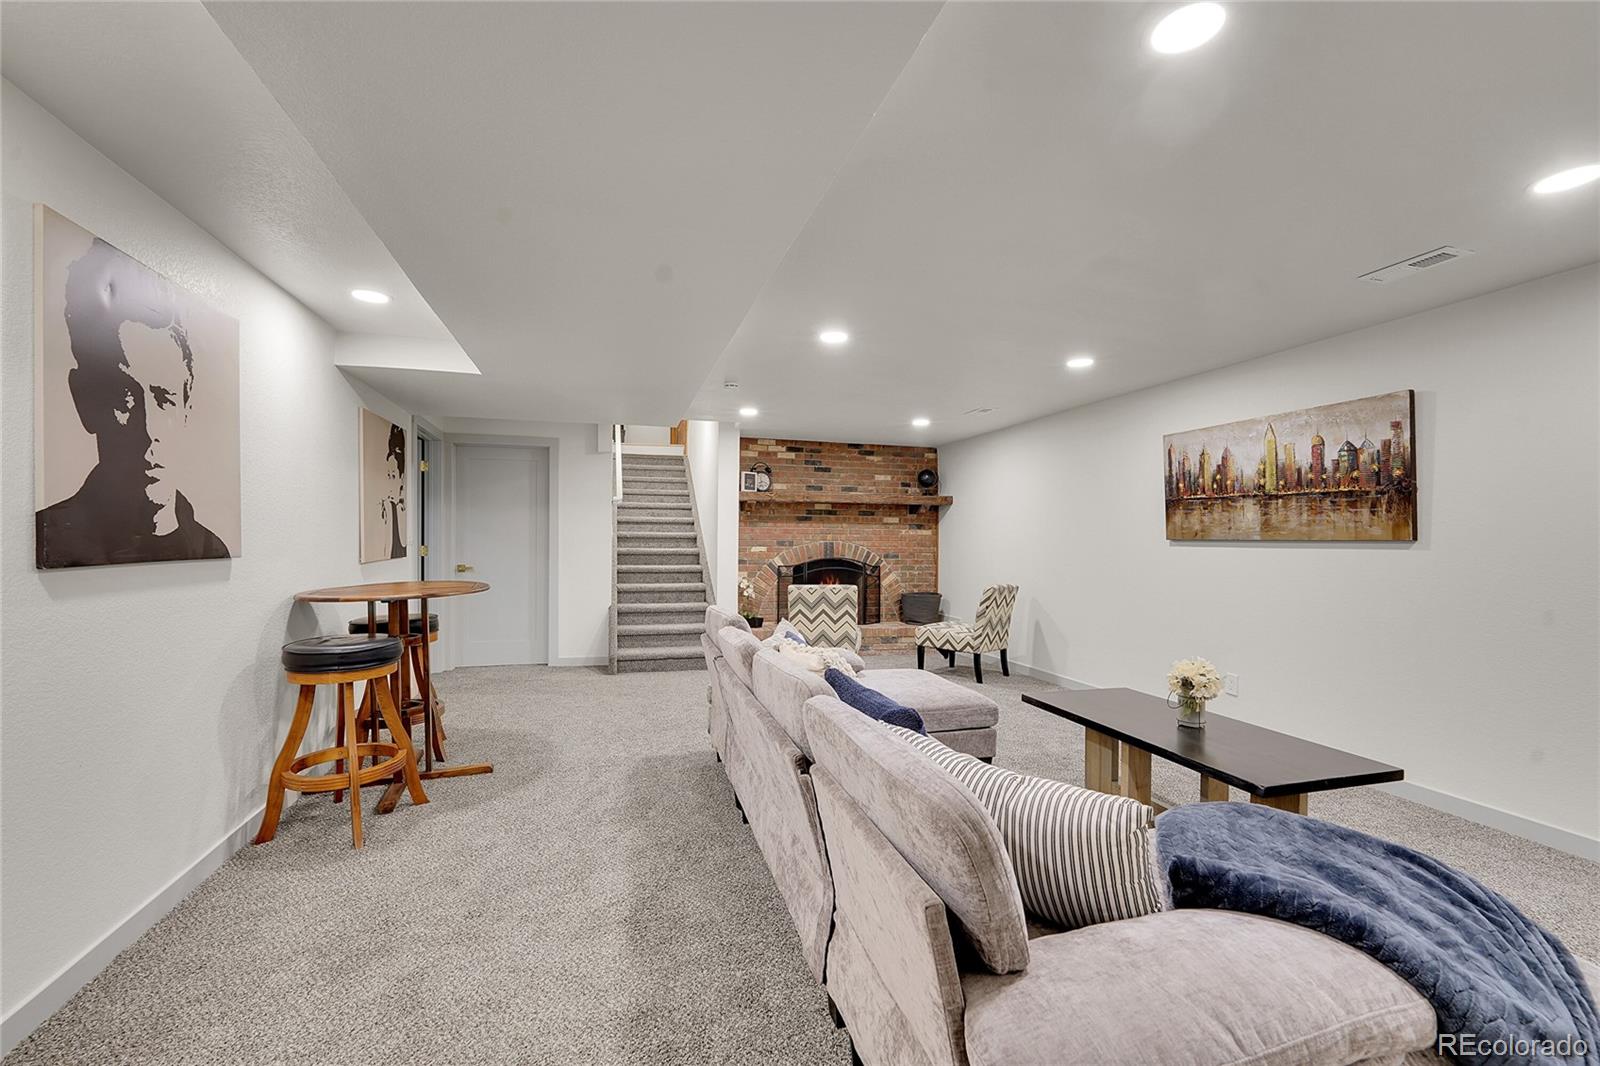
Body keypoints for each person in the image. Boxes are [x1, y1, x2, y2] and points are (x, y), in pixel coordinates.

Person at [36, 237, 231, 568]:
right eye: (125, 398)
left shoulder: (213, 550)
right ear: (84, 399)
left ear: (187, 407)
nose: (149, 429)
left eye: (164, 398)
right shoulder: (52, 541)